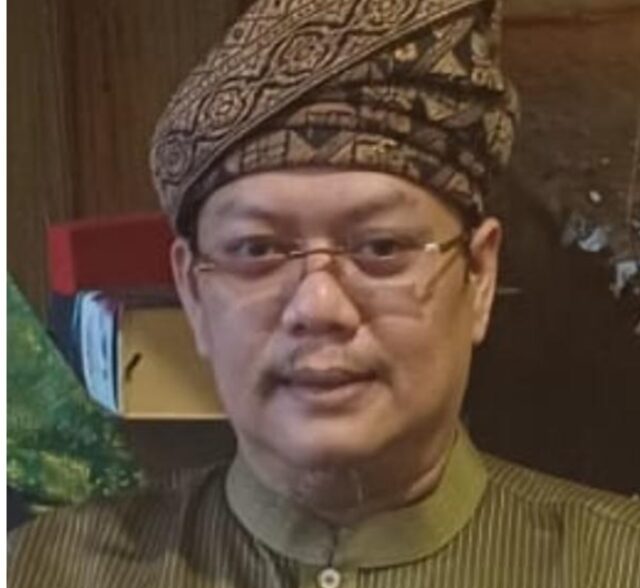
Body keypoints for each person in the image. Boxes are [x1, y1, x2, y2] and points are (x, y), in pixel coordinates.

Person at [9, 0, 640, 586]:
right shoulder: (48, 570)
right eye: (257, 250)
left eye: (381, 247)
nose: (318, 307)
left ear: (479, 276)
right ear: (193, 293)